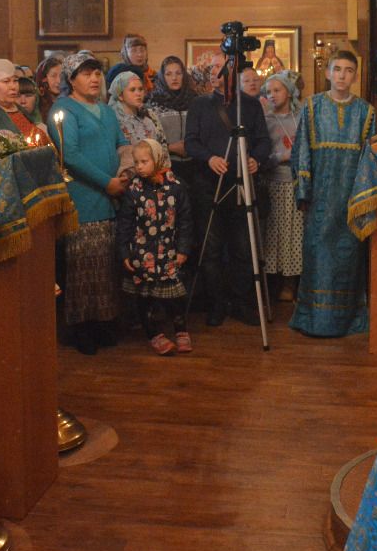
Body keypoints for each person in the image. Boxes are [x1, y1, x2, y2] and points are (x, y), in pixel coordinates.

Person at [290, 50, 375, 337]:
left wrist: (364, 199)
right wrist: (304, 192)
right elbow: (301, 150)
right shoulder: (312, 106)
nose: (342, 75)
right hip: (320, 199)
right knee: (318, 257)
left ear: (355, 76)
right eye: (337, 69)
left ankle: (347, 319)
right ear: (327, 73)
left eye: (348, 70)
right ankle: (313, 319)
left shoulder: (366, 112)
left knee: (348, 260)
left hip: (351, 199)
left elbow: (369, 160)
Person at [49, 51, 127, 355]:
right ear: (71, 80)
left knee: (105, 265)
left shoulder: (106, 111)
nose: (94, 79)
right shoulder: (64, 110)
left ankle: (104, 323)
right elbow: (69, 154)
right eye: (86, 73)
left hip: (111, 198)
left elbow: (121, 144)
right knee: (83, 265)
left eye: (97, 73)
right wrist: (106, 182)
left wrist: (125, 171)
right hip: (83, 197)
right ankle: (82, 330)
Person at [184, 61, 273, 326]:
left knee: (243, 248)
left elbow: (263, 140)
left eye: (219, 70)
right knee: (211, 249)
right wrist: (209, 158)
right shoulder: (199, 105)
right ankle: (216, 304)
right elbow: (190, 142)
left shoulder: (250, 105)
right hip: (208, 185)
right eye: (211, 72)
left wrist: (256, 159)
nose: (215, 75)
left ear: (231, 73)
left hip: (241, 184)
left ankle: (241, 303)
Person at [116, 138, 194, 356]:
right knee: (145, 298)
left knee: (176, 297)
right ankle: (154, 334)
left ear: (158, 159)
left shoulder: (175, 187)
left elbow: (185, 221)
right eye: (136, 162)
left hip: (169, 252)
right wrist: (124, 252)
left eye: (144, 161)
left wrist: (183, 249)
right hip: (142, 255)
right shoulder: (134, 190)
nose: (139, 167)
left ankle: (181, 330)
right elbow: (125, 224)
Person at [262, 71, 304, 303]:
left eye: (277, 90)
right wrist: (281, 156)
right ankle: (273, 282)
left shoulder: (301, 116)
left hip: (297, 184)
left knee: (293, 235)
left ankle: (291, 282)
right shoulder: (266, 120)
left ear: (288, 92)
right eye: (268, 91)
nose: (272, 95)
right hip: (274, 183)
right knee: (273, 234)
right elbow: (261, 156)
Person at [109, 70, 168, 148]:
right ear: (120, 95)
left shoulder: (149, 118)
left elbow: (160, 147)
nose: (138, 93)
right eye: (132, 90)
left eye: (140, 89)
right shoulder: (113, 121)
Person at [35, 52, 67, 119]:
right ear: (43, 79)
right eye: (53, 76)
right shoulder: (36, 104)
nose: (59, 81)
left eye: (61, 76)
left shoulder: (68, 101)